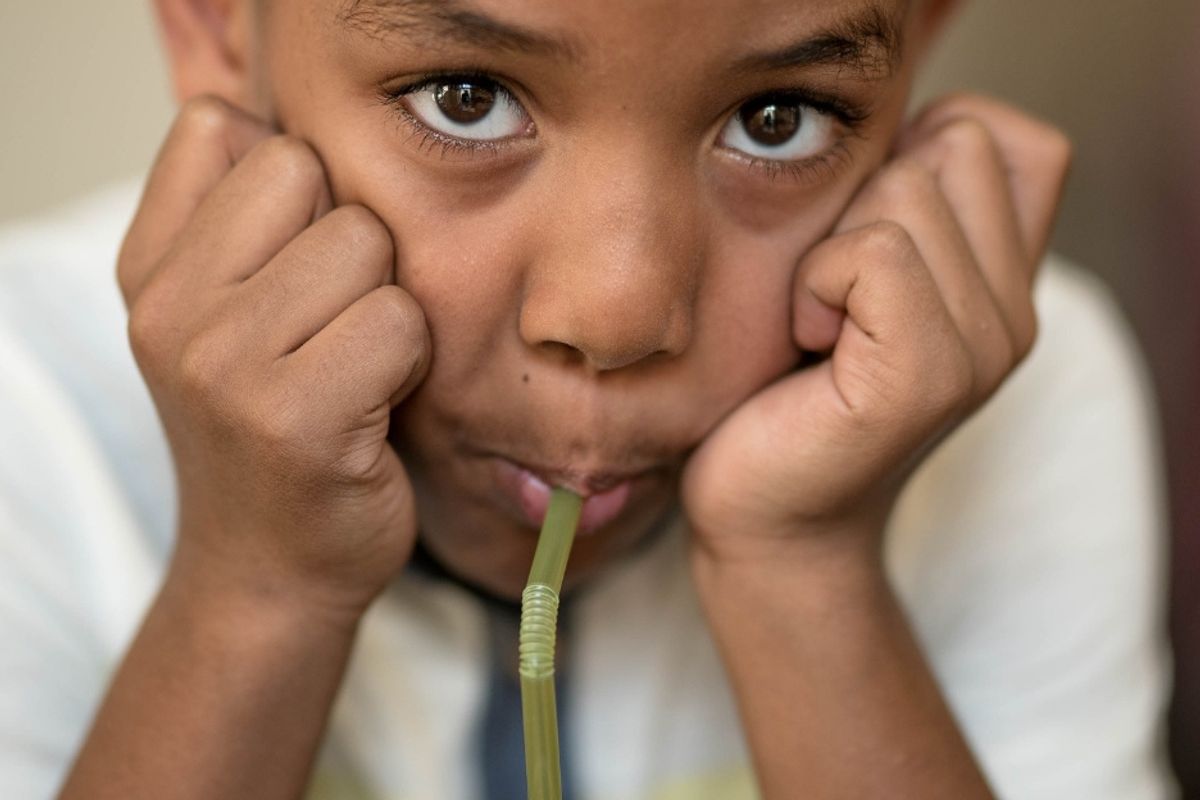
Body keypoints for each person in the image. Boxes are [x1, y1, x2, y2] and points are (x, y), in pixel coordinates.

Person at [0, 0, 1176, 797]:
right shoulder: (33, 400)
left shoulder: (1017, 391)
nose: (614, 317)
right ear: (216, 19)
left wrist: (805, 570)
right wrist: (255, 589)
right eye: (465, 96)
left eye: (778, 119)